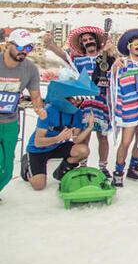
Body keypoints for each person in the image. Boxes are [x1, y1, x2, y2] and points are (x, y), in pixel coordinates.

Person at [44, 25, 113, 176]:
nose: (88, 42)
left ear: (96, 41)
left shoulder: (106, 58)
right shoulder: (79, 61)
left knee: (102, 137)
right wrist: (50, 44)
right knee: (84, 136)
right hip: (84, 104)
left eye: (90, 39)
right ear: (82, 44)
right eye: (85, 40)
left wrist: (109, 51)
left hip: (102, 102)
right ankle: (82, 165)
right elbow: (64, 55)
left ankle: (103, 167)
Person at [21, 72, 98, 190]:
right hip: (38, 149)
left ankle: (61, 173)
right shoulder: (48, 112)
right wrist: (58, 138)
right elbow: (38, 142)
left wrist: (89, 127)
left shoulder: (77, 113)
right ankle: (27, 167)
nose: (77, 102)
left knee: (83, 150)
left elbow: (76, 140)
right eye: (75, 99)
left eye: (80, 100)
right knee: (39, 186)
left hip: (57, 147)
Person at [1, 29, 46, 199]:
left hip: (11, 122)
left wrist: (39, 110)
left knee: (7, 168)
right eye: (20, 47)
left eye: (28, 48)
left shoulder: (30, 69)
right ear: (8, 45)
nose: (24, 51)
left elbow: (36, 96)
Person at [111, 29, 138, 186]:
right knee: (126, 141)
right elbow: (113, 77)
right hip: (128, 108)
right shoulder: (123, 62)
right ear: (129, 46)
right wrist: (114, 67)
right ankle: (118, 172)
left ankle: (133, 168)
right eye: (135, 44)